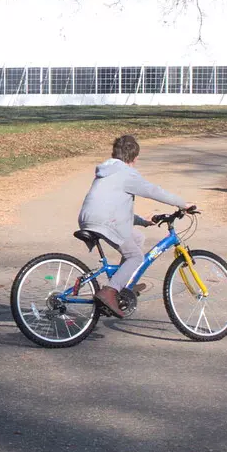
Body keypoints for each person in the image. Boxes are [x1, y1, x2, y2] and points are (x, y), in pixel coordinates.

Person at [78, 134, 194, 316]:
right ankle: (110, 291)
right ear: (135, 158)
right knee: (136, 257)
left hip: (89, 218)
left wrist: (142, 221)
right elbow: (152, 190)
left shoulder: (107, 171)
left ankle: (123, 285)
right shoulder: (127, 173)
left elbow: (114, 209)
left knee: (138, 238)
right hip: (106, 221)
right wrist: (182, 204)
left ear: (114, 153)